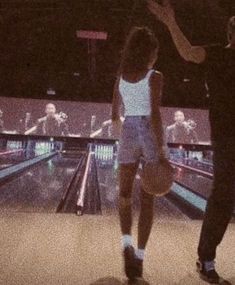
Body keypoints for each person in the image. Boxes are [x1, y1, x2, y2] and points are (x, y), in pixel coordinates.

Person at [148, 1, 235, 283]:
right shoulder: (218, 56)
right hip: (228, 138)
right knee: (223, 197)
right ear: (230, 34)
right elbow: (186, 52)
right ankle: (206, 260)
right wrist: (171, 21)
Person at [112, 26, 166, 280]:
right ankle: (140, 257)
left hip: (129, 131)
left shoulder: (121, 76)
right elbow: (155, 114)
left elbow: (115, 116)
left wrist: (125, 135)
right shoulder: (155, 76)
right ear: (148, 53)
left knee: (124, 195)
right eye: (154, 52)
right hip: (148, 131)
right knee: (148, 198)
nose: (155, 57)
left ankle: (126, 244)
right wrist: (162, 148)